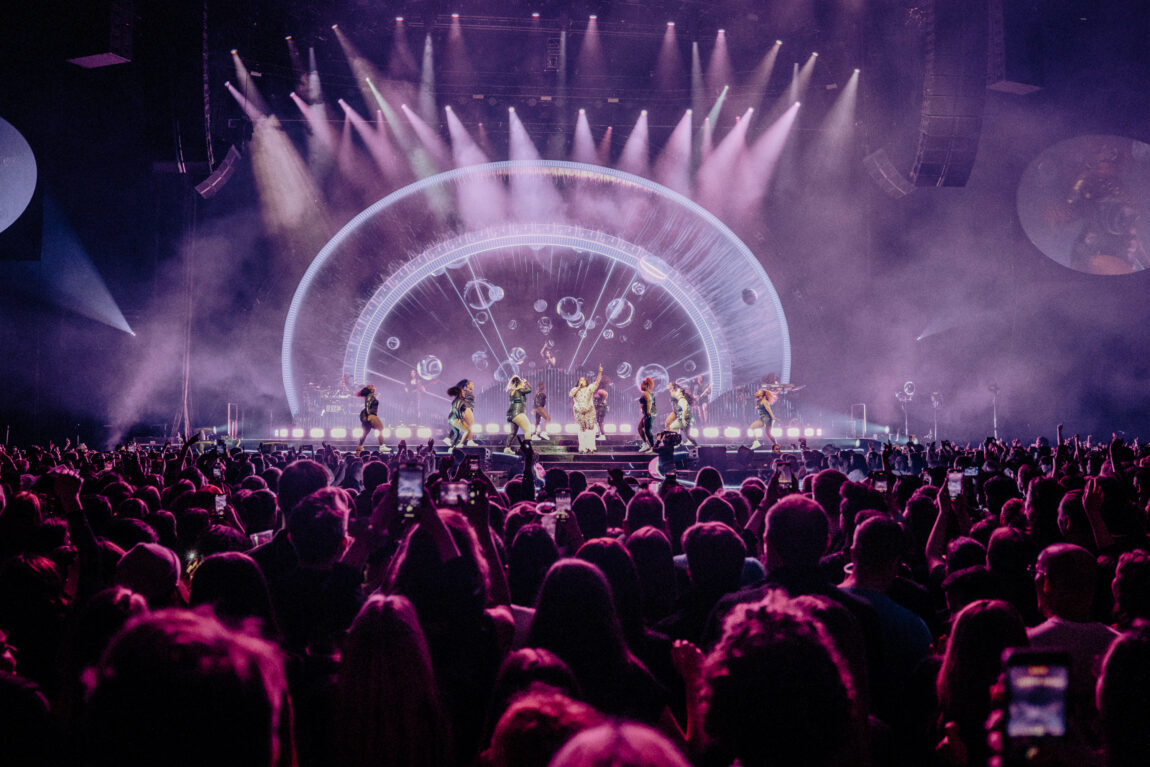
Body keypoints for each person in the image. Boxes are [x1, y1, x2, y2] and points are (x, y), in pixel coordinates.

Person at [570, 365, 603, 454]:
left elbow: (597, 383)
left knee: (590, 427)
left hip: (589, 410)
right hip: (579, 411)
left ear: (586, 382)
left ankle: (591, 447)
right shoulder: (574, 389)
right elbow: (571, 395)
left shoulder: (590, 388)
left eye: (584, 380)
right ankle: (582, 447)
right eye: (580, 380)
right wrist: (578, 388)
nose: (582, 381)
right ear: (578, 382)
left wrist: (600, 372)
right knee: (582, 428)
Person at [505, 376, 536, 454]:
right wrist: (526, 382)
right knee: (528, 429)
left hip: (510, 414)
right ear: (519, 383)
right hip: (518, 413)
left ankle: (507, 449)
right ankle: (528, 449)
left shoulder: (512, 392)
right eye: (522, 383)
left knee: (513, 432)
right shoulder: (519, 390)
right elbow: (530, 390)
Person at [356, 385, 390, 454]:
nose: (374, 387)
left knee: (365, 433)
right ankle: (382, 446)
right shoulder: (370, 396)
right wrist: (369, 415)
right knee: (380, 428)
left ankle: (360, 447)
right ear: (370, 390)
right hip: (371, 415)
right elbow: (367, 405)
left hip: (370, 415)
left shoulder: (371, 396)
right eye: (372, 387)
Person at [748, 387, 779, 452]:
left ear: (762, 395)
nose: (757, 392)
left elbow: (769, 409)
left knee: (768, 433)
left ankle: (776, 446)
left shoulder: (764, 401)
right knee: (752, 427)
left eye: (758, 392)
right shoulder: (758, 401)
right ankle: (756, 442)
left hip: (768, 418)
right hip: (762, 418)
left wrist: (773, 417)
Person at [637, 377, 656, 454]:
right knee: (639, 428)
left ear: (647, 385)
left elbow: (649, 401)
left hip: (649, 413)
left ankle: (653, 447)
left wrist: (648, 411)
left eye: (642, 385)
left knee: (648, 431)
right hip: (648, 413)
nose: (641, 386)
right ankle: (645, 444)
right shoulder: (649, 393)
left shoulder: (646, 393)